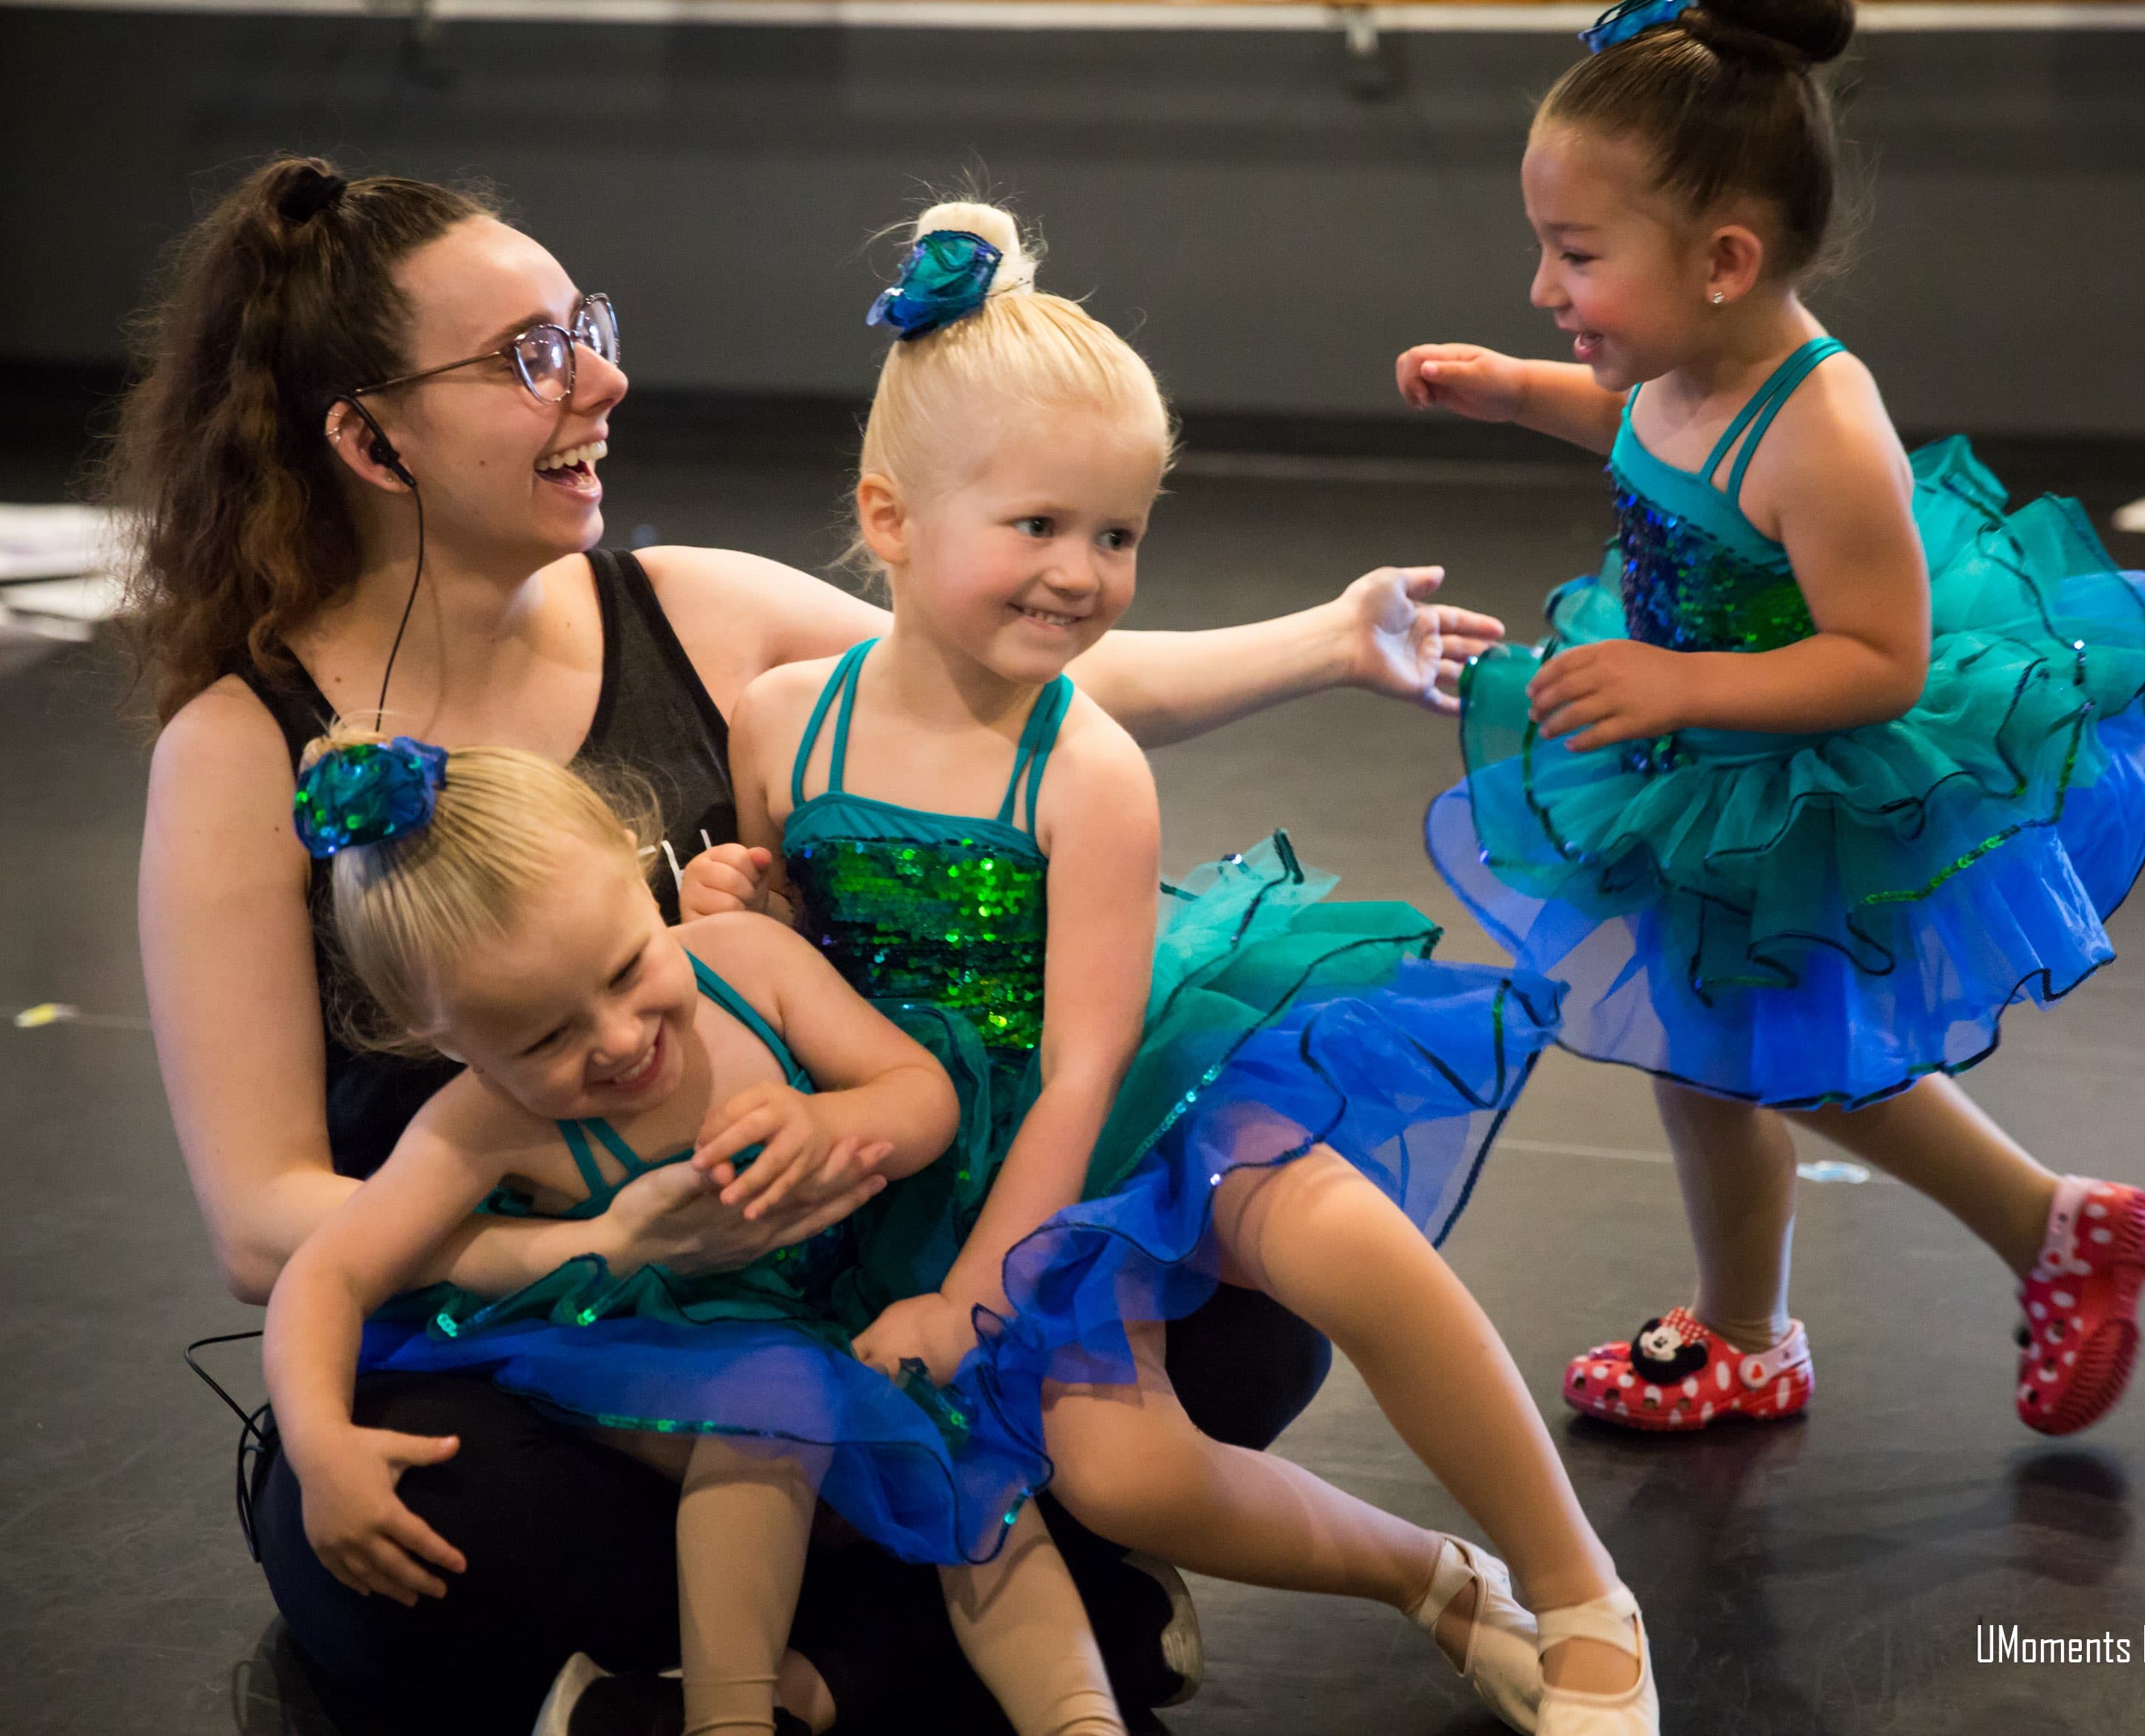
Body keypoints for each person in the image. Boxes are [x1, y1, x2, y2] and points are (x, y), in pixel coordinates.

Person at [115, 155, 1506, 1733]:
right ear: (372, 442)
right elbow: (266, 1222)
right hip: (565, 1333)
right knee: (415, 1527)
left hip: (848, 1260)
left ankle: (784, 1670)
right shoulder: (243, 750)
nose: (602, 380)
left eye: (585, 328)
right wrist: (601, 1246)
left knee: (1230, 1324)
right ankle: (932, 1643)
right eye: (530, 356)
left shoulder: (692, 608)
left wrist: (1328, 641)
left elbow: (1019, 683)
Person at [695, 200, 1655, 1736]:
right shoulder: (781, 724)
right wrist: (739, 906)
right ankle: (1437, 1580)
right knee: (1123, 1473)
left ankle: (1583, 1585)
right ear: (890, 519)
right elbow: (797, 971)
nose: (1081, 575)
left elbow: (1085, 1068)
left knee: (1336, 1233)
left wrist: (974, 1292)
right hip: (914, 1143)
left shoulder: (1085, 767)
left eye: (1118, 535)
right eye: (1038, 527)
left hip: (1108, 1102)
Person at [1401, 0, 2145, 1440]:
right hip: (1702, 766)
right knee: (1715, 1058)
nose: (1543, 287)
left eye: (1577, 257)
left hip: (1798, 779)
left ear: (1725, 262)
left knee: (1759, 1059)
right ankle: (1927, 1264)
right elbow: (1644, 433)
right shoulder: (1686, 361)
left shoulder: (1825, 429)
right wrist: (1516, 393)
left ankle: (1893, 1277)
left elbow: (1885, 661)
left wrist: (1682, 684)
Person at [261, 731, 1123, 1736]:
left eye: (630, 967)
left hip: (845, 1296)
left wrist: (834, 1121)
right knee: (772, 1405)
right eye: (545, 1038)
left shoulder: (749, 965)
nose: (620, 1038)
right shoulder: (476, 1128)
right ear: (442, 1041)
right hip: (669, 1350)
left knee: (964, 1446)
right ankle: (731, 1716)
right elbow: (325, 1275)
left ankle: (1079, 1714)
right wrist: (321, 1447)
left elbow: (924, 1095)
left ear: (643, 880)